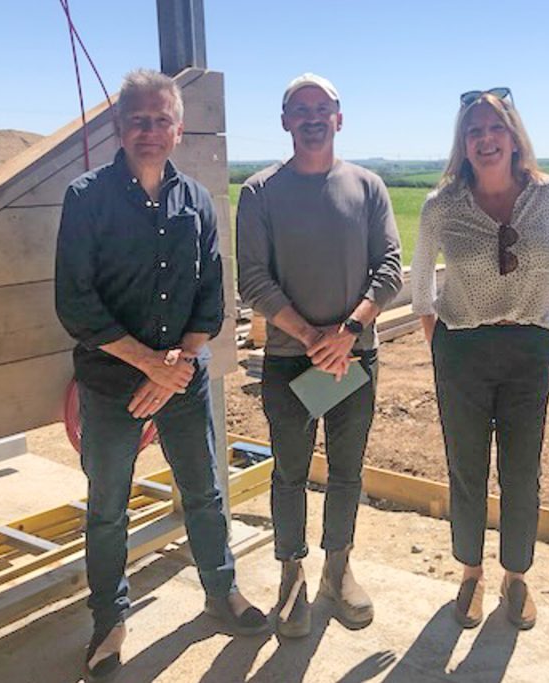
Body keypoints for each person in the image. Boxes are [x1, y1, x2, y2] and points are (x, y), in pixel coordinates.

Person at [55, 68, 269, 681]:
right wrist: (151, 364)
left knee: (204, 491)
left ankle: (221, 591)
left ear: (179, 129)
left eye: (161, 120)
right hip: (110, 384)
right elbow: (76, 303)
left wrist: (177, 363)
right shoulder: (86, 197)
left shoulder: (196, 200)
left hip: (182, 381)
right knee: (108, 505)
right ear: (120, 127)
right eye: (138, 120)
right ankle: (110, 620)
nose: (150, 131)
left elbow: (211, 294)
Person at [236, 73, 403, 638]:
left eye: (322, 108)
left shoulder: (368, 187)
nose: (312, 117)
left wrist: (348, 332)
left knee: (347, 472)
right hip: (290, 361)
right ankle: (292, 574)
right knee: (288, 473)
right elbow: (253, 278)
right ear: (285, 121)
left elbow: (389, 267)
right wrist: (312, 338)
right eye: (300, 109)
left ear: (339, 117)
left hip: (355, 359)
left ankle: (337, 568)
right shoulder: (259, 192)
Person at [411, 88, 549, 631]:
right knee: (467, 469)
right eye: (474, 131)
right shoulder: (442, 205)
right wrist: (443, 347)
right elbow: (420, 290)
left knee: (522, 470)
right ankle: (471, 573)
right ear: (463, 143)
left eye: (495, 128)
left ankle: (516, 574)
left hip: (529, 347)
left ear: (514, 135)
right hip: (463, 349)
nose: (485, 140)